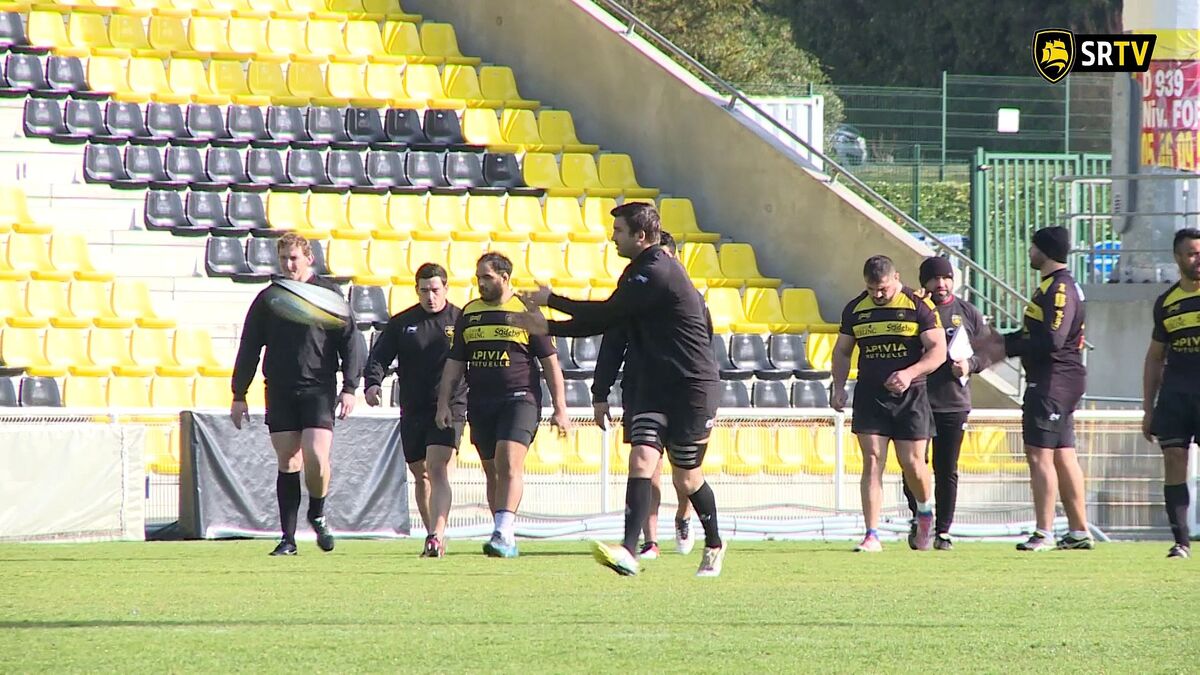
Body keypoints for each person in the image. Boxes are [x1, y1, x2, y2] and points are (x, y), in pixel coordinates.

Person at [517, 202, 726, 578]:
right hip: (650, 387)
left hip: (691, 388)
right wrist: (548, 327)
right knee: (642, 459)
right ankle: (630, 550)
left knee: (686, 477)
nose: (612, 238)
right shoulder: (638, 273)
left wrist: (551, 308)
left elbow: (605, 315)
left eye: (618, 232)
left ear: (640, 236)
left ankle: (714, 543)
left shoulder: (658, 271)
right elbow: (612, 326)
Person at [230, 232, 366, 556]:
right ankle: (288, 539)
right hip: (279, 387)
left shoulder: (329, 296)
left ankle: (317, 512)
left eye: (294, 258)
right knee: (288, 460)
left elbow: (351, 341)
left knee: (316, 455)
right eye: (283, 259)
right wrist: (239, 392)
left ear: (309, 259)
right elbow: (249, 346)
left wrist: (350, 387)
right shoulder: (271, 299)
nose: (289, 265)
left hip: (318, 387)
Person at [435, 252, 570, 558]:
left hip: (520, 399)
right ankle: (502, 532)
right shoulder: (469, 313)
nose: (481, 283)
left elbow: (550, 362)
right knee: (492, 470)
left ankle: (503, 531)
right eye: (478, 277)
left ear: (505, 277)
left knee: (509, 462)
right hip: (481, 402)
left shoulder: (525, 310)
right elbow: (455, 364)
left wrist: (560, 407)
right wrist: (444, 403)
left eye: (487, 277)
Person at [980, 226, 1092, 551]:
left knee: (1038, 454)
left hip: (1052, 380)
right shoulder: (1052, 287)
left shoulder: (1058, 290)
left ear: (1045, 250)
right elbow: (1035, 334)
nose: (1030, 253)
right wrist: (1001, 341)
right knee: (1062, 453)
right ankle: (1078, 531)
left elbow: (1052, 341)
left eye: (1033, 247)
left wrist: (1007, 348)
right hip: (1060, 379)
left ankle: (1044, 531)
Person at [831, 255, 946, 553]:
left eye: (883, 289)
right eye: (872, 290)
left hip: (912, 397)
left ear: (896, 278)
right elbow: (843, 351)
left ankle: (923, 511)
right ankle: (872, 534)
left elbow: (938, 351)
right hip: (871, 395)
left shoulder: (919, 306)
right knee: (872, 460)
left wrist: (909, 373)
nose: (878, 295)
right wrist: (839, 387)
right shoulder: (856, 309)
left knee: (912, 463)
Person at [591, 231, 695, 559]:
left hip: (682, 391)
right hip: (642, 389)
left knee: (685, 473)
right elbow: (612, 342)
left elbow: (702, 348)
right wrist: (600, 392)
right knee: (646, 463)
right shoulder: (632, 297)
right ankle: (647, 540)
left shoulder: (689, 299)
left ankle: (684, 514)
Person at [364, 263, 466, 558]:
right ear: (417, 291)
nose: (430, 296)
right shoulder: (403, 322)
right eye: (424, 291)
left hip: (449, 406)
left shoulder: (460, 321)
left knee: (437, 468)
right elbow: (379, 357)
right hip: (412, 406)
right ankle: (432, 536)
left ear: (446, 288)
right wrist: (373, 384)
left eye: (435, 290)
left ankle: (436, 534)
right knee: (419, 473)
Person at [900, 256, 992, 551]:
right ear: (924, 282)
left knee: (946, 468)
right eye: (934, 279)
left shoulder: (967, 312)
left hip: (953, 402)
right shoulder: (914, 308)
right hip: (917, 398)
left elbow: (990, 350)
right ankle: (919, 519)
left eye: (946, 278)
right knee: (914, 465)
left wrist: (971, 364)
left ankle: (943, 531)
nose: (941, 284)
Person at [1142, 227, 1200, 559]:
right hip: (1177, 394)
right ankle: (1181, 541)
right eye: (1192, 253)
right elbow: (1154, 357)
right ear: (1178, 258)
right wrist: (1148, 409)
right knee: (1174, 458)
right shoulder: (1167, 303)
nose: (1198, 259)